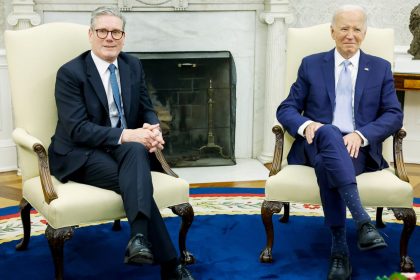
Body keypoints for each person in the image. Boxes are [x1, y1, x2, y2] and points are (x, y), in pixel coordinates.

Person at [48, 6, 194, 280]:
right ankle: (169, 263)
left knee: (137, 152)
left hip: (125, 151)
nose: (109, 37)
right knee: (136, 179)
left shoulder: (132, 65)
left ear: (124, 37)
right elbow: (77, 129)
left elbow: (146, 106)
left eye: (116, 31)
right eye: (102, 31)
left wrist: (152, 128)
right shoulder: (70, 73)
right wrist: (128, 135)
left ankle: (139, 240)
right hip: (80, 153)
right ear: (91, 35)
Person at [276, 5, 403, 280]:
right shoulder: (311, 64)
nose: (350, 35)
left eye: (357, 29)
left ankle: (340, 249)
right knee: (329, 132)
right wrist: (307, 125)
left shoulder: (380, 68)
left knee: (326, 162)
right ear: (332, 32)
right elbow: (286, 108)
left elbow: (394, 114)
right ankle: (362, 222)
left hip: (356, 148)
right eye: (344, 28)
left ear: (364, 33)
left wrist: (361, 134)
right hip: (314, 141)